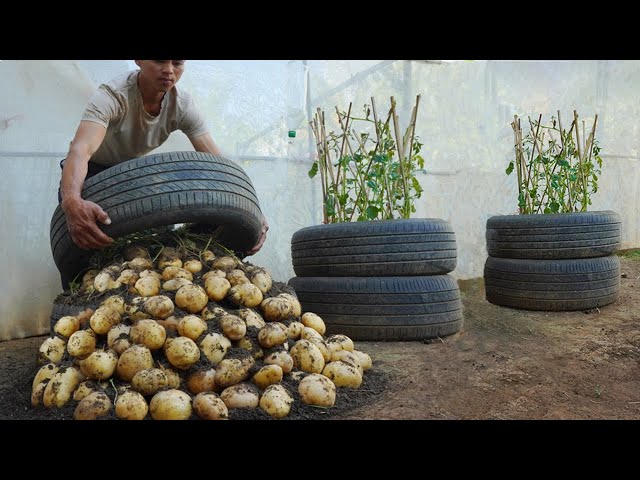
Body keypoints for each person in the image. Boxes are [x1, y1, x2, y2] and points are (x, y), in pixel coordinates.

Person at [58, 60, 269, 271]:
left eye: (177, 63)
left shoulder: (182, 105)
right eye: (159, 60)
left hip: (130, 173)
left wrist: (252, 210)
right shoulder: (112, 96)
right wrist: (71, 200)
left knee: (154, 243)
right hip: (92, 172)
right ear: (138, 61)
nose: (169, 70)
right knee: (83, 240)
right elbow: (80, 150)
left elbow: (218, 166)